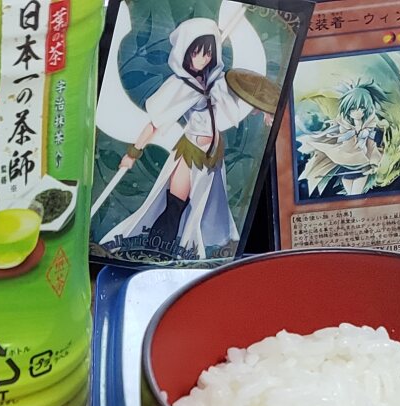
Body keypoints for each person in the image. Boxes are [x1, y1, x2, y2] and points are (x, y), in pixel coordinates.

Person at [103, 17, 279, 259]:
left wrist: (265, 109)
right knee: (176, 202)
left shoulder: (215, 81)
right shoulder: (178, 85)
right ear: (185, 51)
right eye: (197, 52)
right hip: (191, 151)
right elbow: (155, 123)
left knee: (203, 206)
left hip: (213, 155)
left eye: (208, 53)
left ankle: (186, 252)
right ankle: (155, 251)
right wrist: (132, 154)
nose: (203, 59)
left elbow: (245, 94)